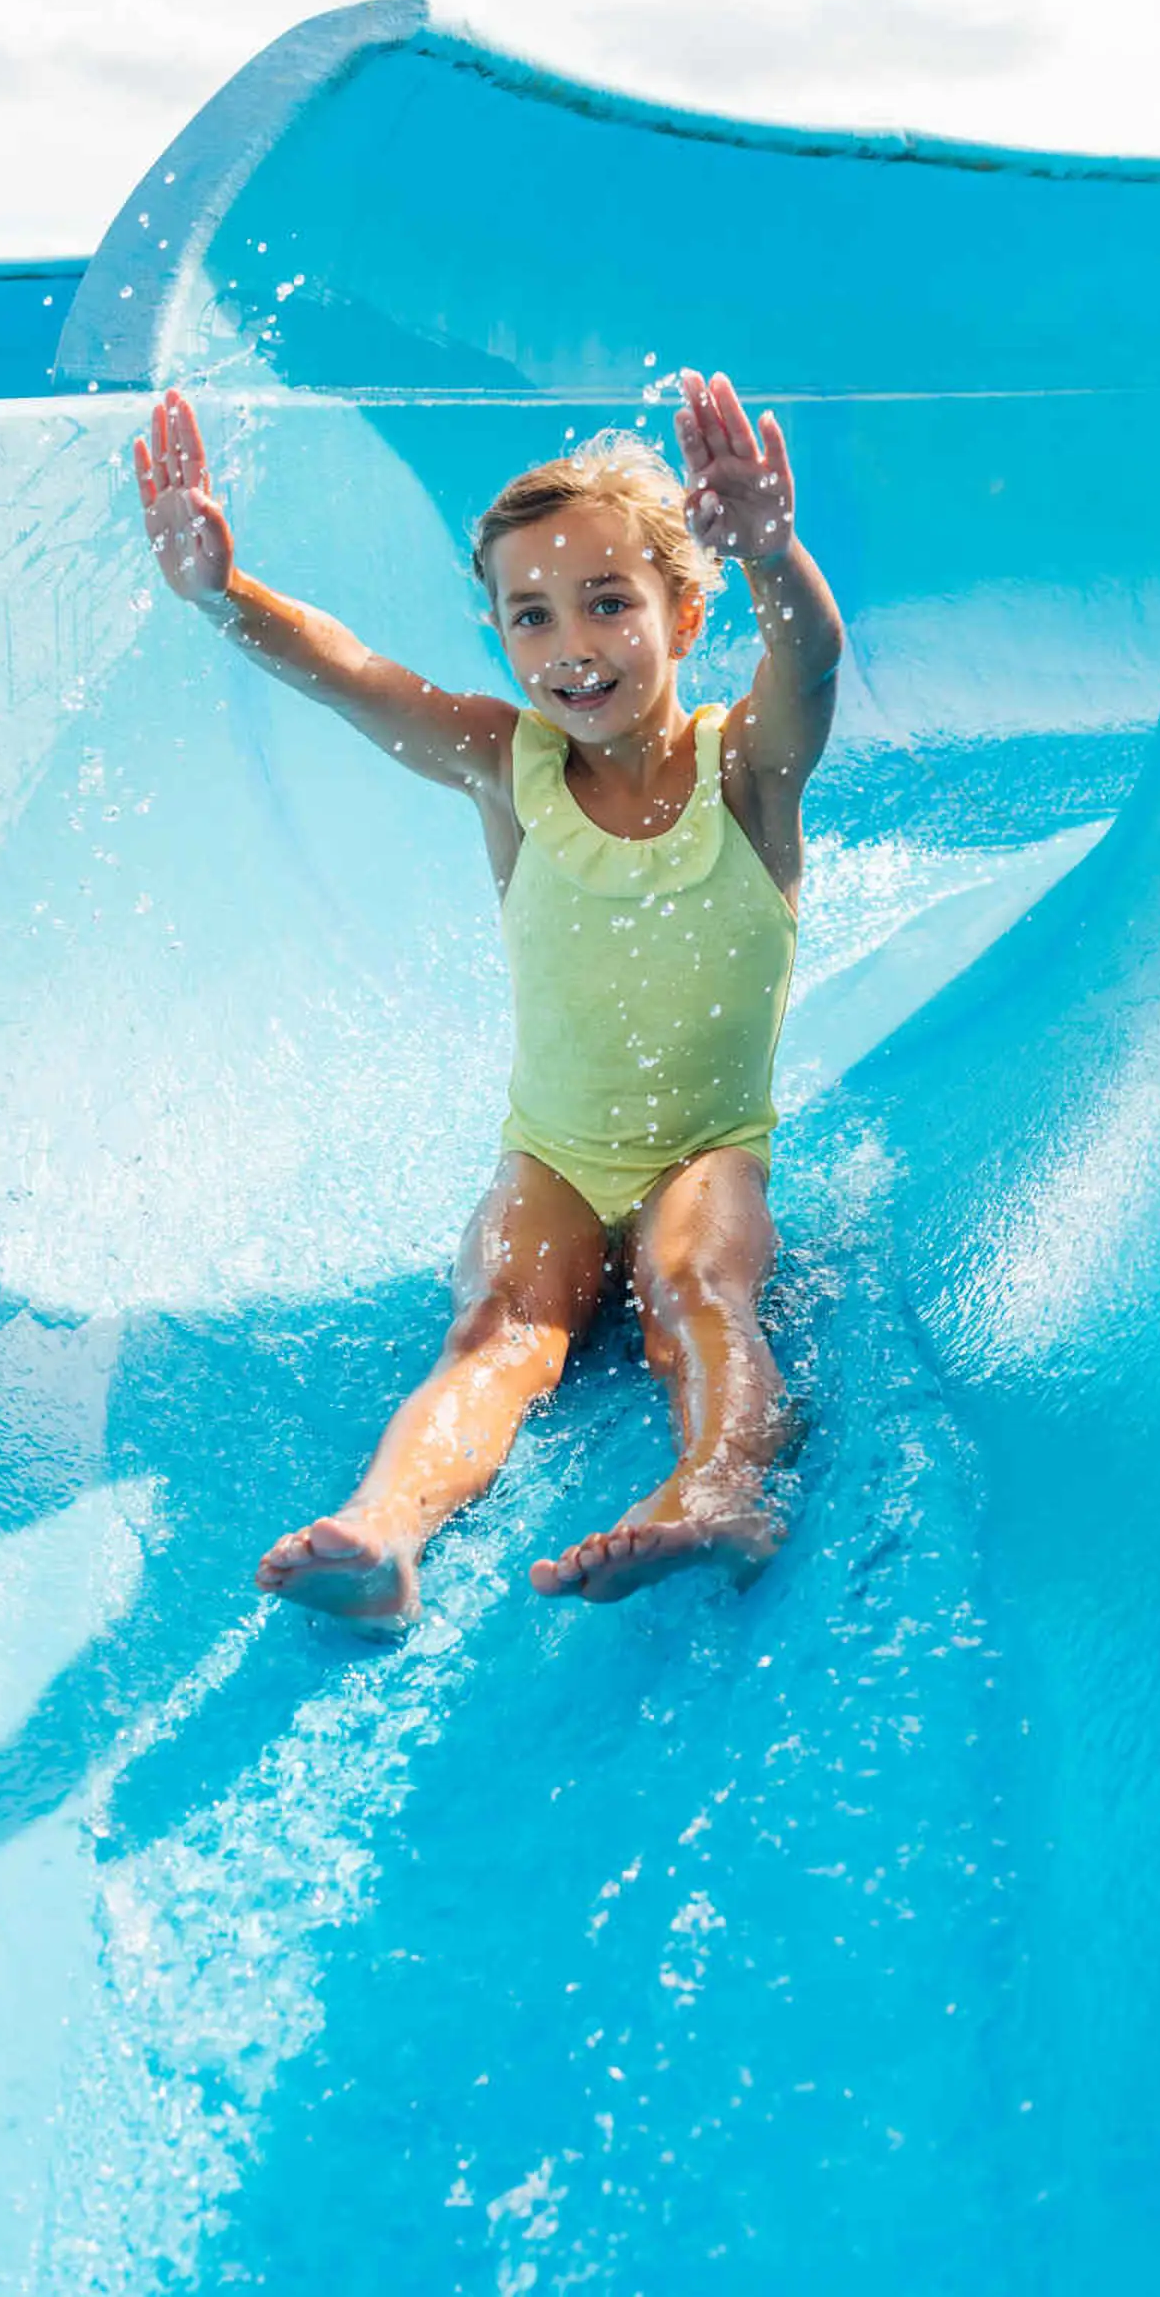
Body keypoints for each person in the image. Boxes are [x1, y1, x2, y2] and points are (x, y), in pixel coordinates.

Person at [130, 370, 845, 1625]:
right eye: (530, 615)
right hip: (555, 1159)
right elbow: (351, 672)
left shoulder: (745, 769)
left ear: (686, 611)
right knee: (500, 1326)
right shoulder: (505, 765)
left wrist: (773, 555)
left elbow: (816, 662)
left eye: (608, 602)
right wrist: (222, 592)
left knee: (699, 1288)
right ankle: (384, 1534)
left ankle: (717, 1490)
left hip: (707, 1150)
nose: (570, 645)